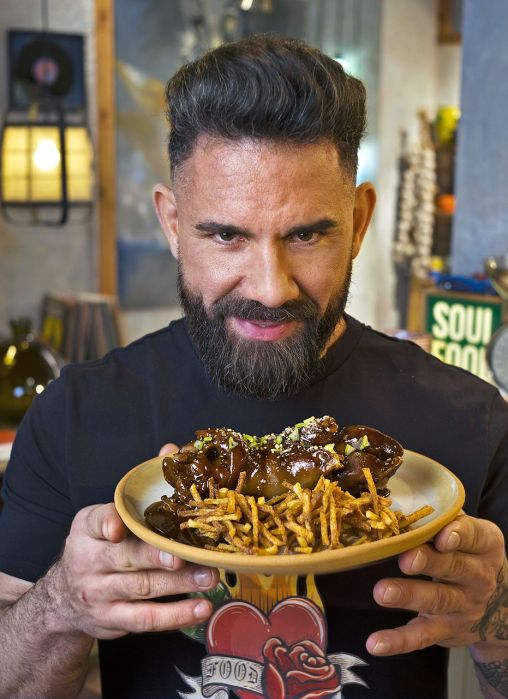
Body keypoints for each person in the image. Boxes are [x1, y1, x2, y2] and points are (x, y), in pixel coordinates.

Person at [0, 34, 507, 699]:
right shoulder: (76, 414)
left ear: (358, 223)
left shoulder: (469, 420)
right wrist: (61, 604)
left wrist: (497, 615)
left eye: (307, 234)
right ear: (172, 223)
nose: (270, 288)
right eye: (226, 235)